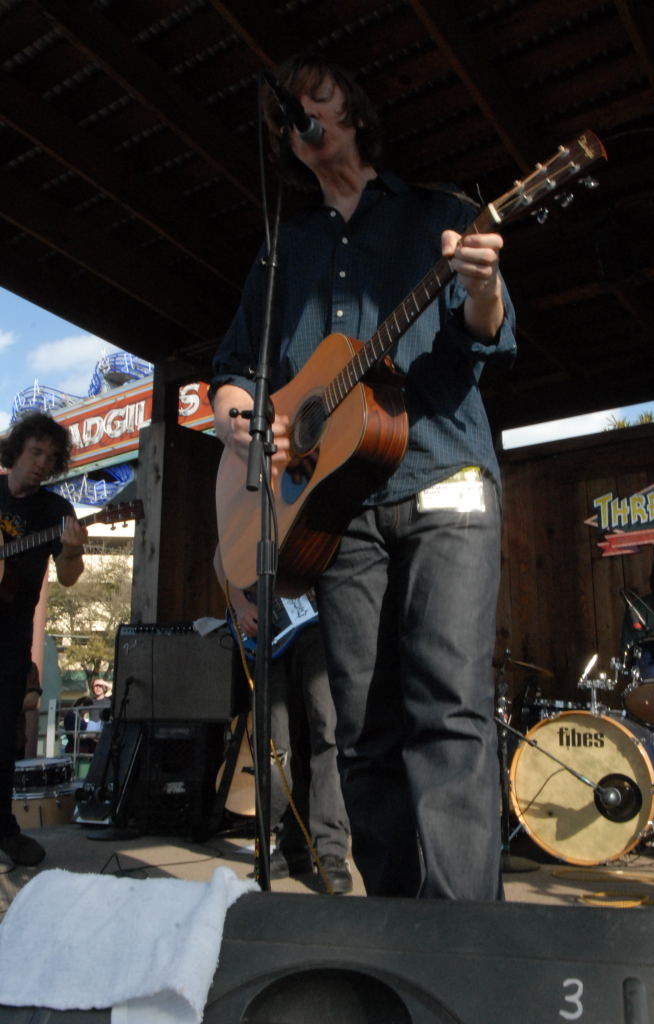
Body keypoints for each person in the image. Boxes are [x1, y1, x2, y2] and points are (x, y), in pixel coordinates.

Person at [211, 56, 516, 900]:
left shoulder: (441, 213)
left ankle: (463, 931)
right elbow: (233, 373)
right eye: (286, 111)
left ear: (350, 110)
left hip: (444, 476)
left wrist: (483, 287)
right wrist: (244, 423)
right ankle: (392, 923)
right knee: (360, 725)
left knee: (448, 706)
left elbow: (487, 335)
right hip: (336, 510)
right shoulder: (286, 249)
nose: (299, 114)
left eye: (314, 95)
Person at [0, 412, 88, 866]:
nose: (41, 464)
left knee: (3, 734)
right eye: (35, 453)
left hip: (10, 636)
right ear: (17, 450)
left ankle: (4, 829)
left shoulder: (55, 511)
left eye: (50, 458)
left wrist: (72, 550)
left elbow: (70, 577)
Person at [228, 583, 352, 894]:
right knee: (278, 744)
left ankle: (331, 852)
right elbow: (222, 561)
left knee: (326, 733)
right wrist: (240, 605)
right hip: (270, 628)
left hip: (318, 622)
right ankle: (290, 847)